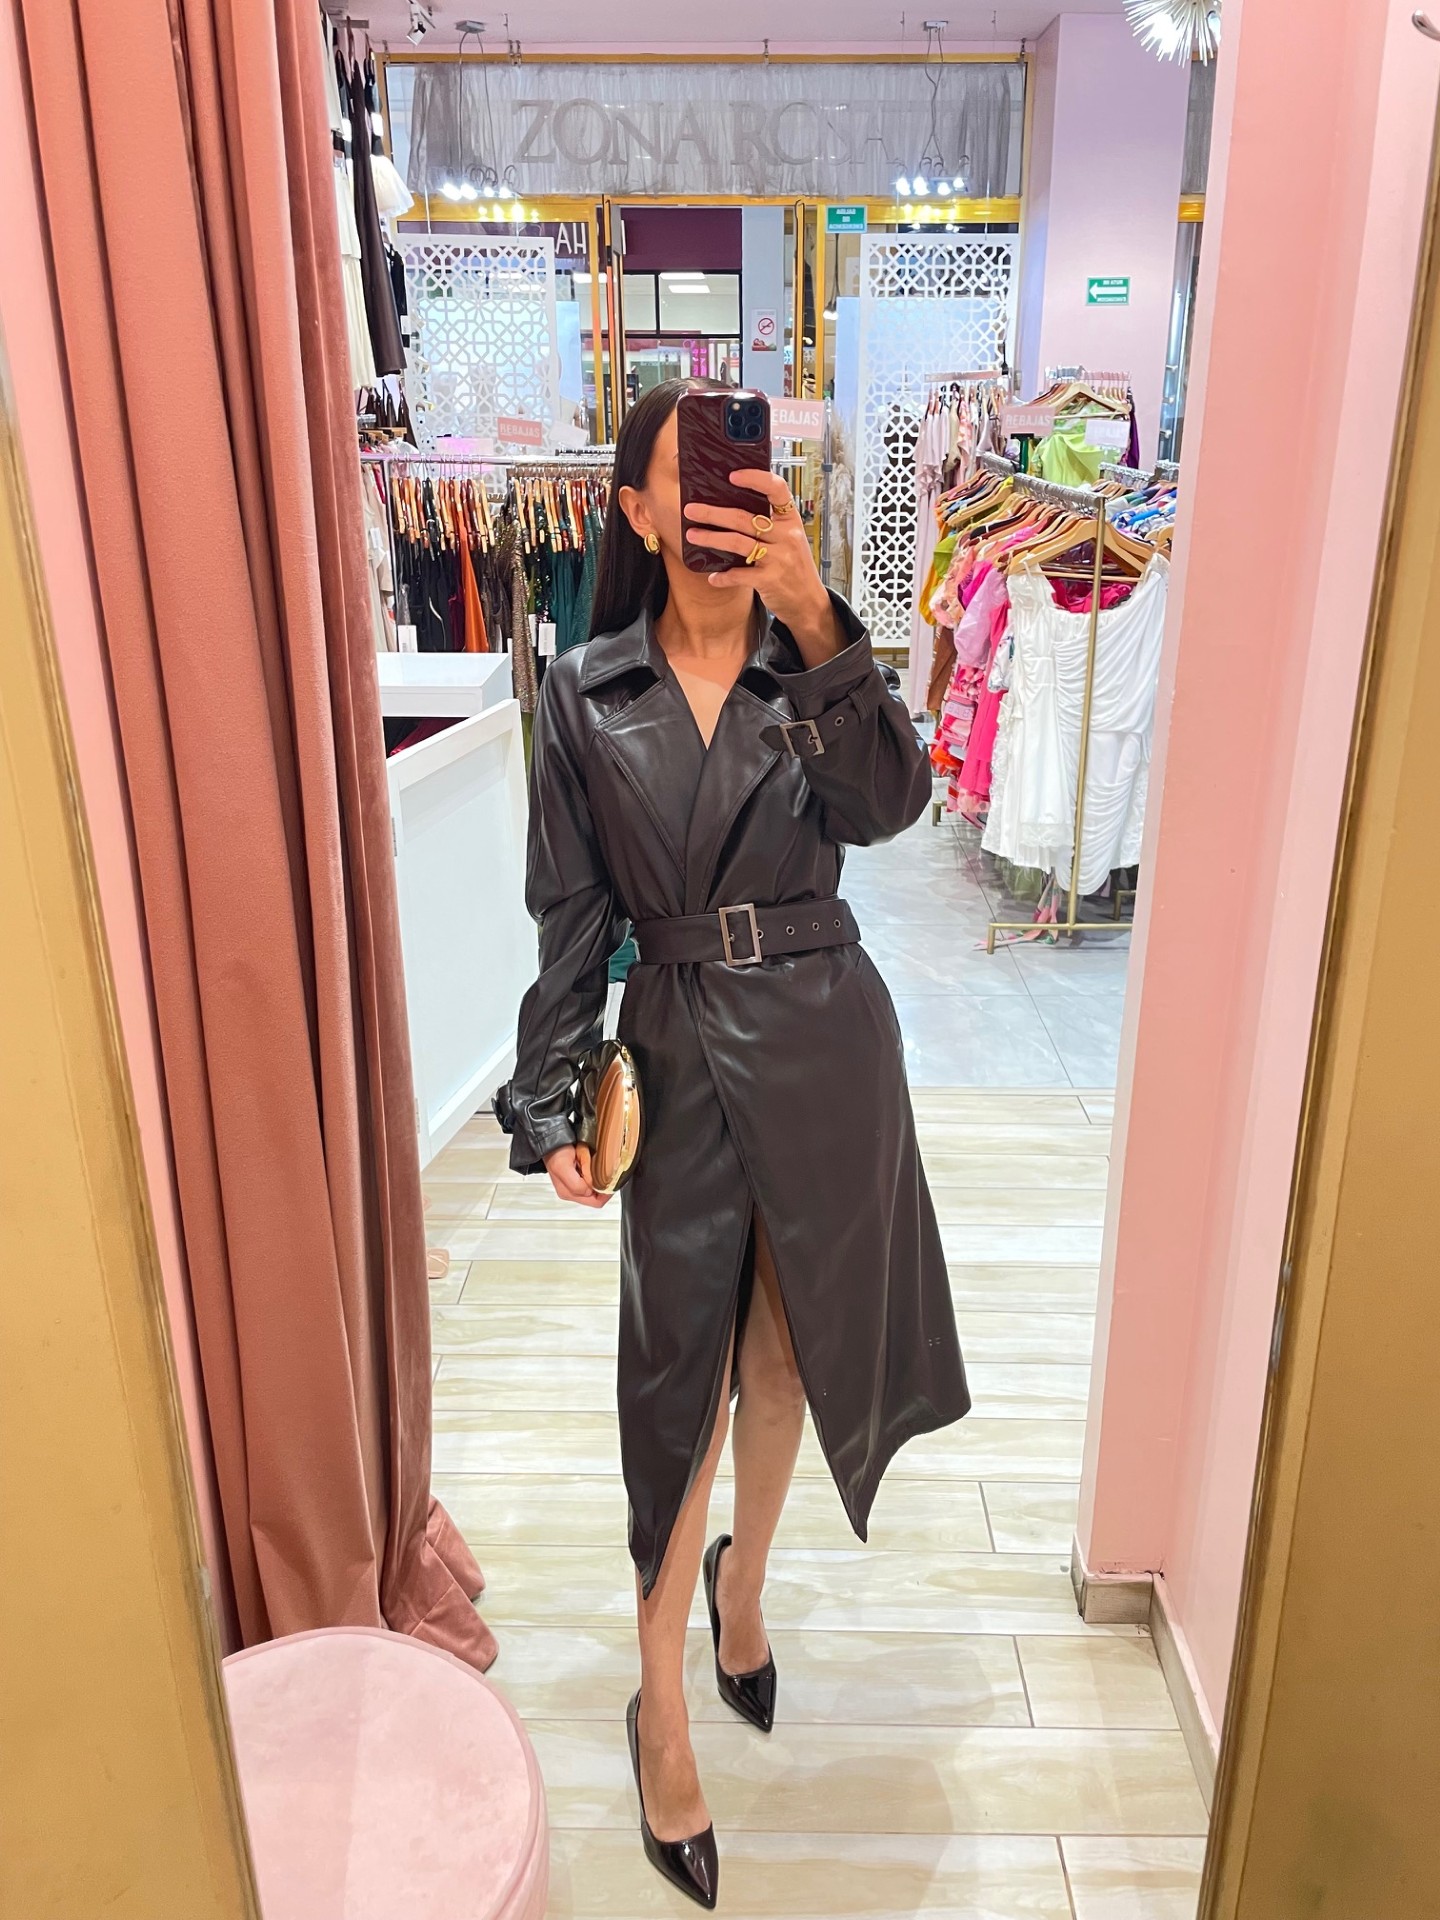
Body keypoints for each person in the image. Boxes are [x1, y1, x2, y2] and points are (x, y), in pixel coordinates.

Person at [496, 379, 969, 1909]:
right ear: (638, 512)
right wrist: (553, 1099)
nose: (713, 506)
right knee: (676, 1380)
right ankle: (661, 1696)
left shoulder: (805, 666)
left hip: (829, 1043)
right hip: (683, 1054)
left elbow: (892, 806)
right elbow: (570, 920)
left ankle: (741, 1586)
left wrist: (820, 614)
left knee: (788, 1357)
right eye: (684, 483)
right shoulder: (585, 694)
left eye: (735, 478)